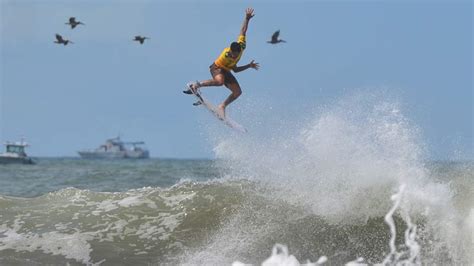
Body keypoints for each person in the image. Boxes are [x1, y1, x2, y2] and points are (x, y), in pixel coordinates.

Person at [184, 8, 259, 118]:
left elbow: (243, 31)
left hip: (226, 71)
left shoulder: (242, 45)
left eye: (236, 54)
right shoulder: (226, 55)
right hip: (217, 68)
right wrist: (246, 65)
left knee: (238, 92)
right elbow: (235, 70)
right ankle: (196, 85)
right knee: (219, 82)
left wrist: (247, 19)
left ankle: (222, 106)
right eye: (233, 54)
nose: (234, 56)